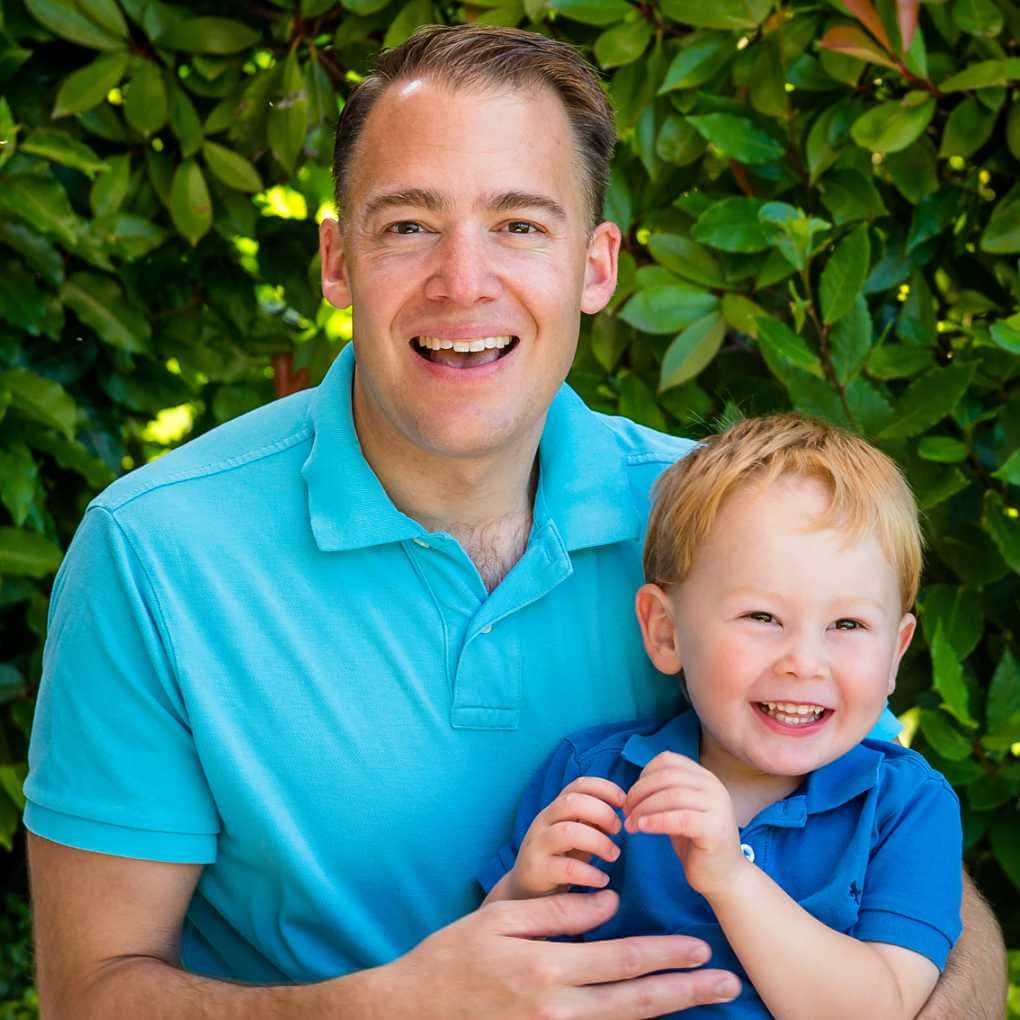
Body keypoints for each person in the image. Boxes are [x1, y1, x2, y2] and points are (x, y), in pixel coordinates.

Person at [24, 24, 1003, 1020]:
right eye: (408, 226)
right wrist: (392, 1009)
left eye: (520, 226)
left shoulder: (728, 523)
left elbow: (924, 908)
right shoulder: (157, 553)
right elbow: (90, 995)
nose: (464, 280)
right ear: (336, 260)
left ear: (597, 265)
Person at [483, 414, 963, 1018]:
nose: (804, 663)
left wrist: (731, 878)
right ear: (665, 632)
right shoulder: (596, 780)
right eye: (762, 617)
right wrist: (523, 889)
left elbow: (881, 1006)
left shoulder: (906, 806)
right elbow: (487, 982)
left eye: (847, 625)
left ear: (895, 652)